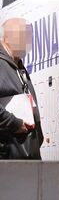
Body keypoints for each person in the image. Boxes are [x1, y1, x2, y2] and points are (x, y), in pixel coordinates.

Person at [0, 17, 42, 160]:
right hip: (9, 154)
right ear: (6, 38)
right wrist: (14, 123)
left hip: (27, 152)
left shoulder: (18, 66)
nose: (26, 42)